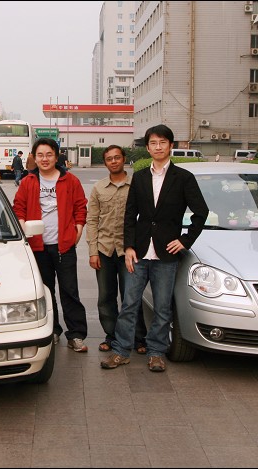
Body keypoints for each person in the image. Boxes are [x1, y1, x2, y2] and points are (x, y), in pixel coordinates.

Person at [100, 124, 208, 372]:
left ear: (171, 146)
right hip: (139, 252)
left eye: (162, 142)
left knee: (162, 306)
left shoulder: (183, 178)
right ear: (147, 148)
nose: (158, 147)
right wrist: (128, 247)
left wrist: (185, 241)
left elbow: (201, 213)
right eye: (153, 143)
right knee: (129, 304)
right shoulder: (139, 177)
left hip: (166, 254)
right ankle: (121, 351)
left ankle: (156, 352)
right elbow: (130, 215)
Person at [13, 137, 89, 352]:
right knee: (45, 291)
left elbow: (80, 207)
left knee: (69, 291)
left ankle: (76, 334)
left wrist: (78, 230)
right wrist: (25, 229)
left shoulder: (70, 180)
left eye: (49, 154)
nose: (44, 159)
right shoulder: (28, 181)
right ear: (34, 158)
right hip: (38, 246)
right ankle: (53, 330)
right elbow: (18, 208)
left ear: (56, 157)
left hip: (64, 245)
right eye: (40, 155)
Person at [86, 145, 147, 354]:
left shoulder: (137, 186)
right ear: (105, 163)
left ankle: (138, 338)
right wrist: (93, 251)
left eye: (117, 157)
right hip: (105, 250)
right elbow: (92, 220)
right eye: (109, 159)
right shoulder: (99, 188)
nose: (113, 161)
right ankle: (111, 336)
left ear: (124, 159)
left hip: (129, 251)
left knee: (132, 297)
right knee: (106, 297)